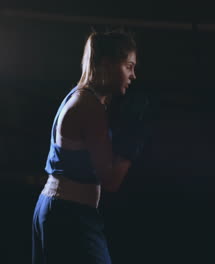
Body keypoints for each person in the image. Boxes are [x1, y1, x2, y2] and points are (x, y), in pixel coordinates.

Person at [32, 30, 145, 264]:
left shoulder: (80, 97)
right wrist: (132, 141)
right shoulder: (89, 106)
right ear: (106, 64)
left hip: (61, 209)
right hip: (69, 213)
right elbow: (111, 180)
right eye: (128, 66)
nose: (133, 75)